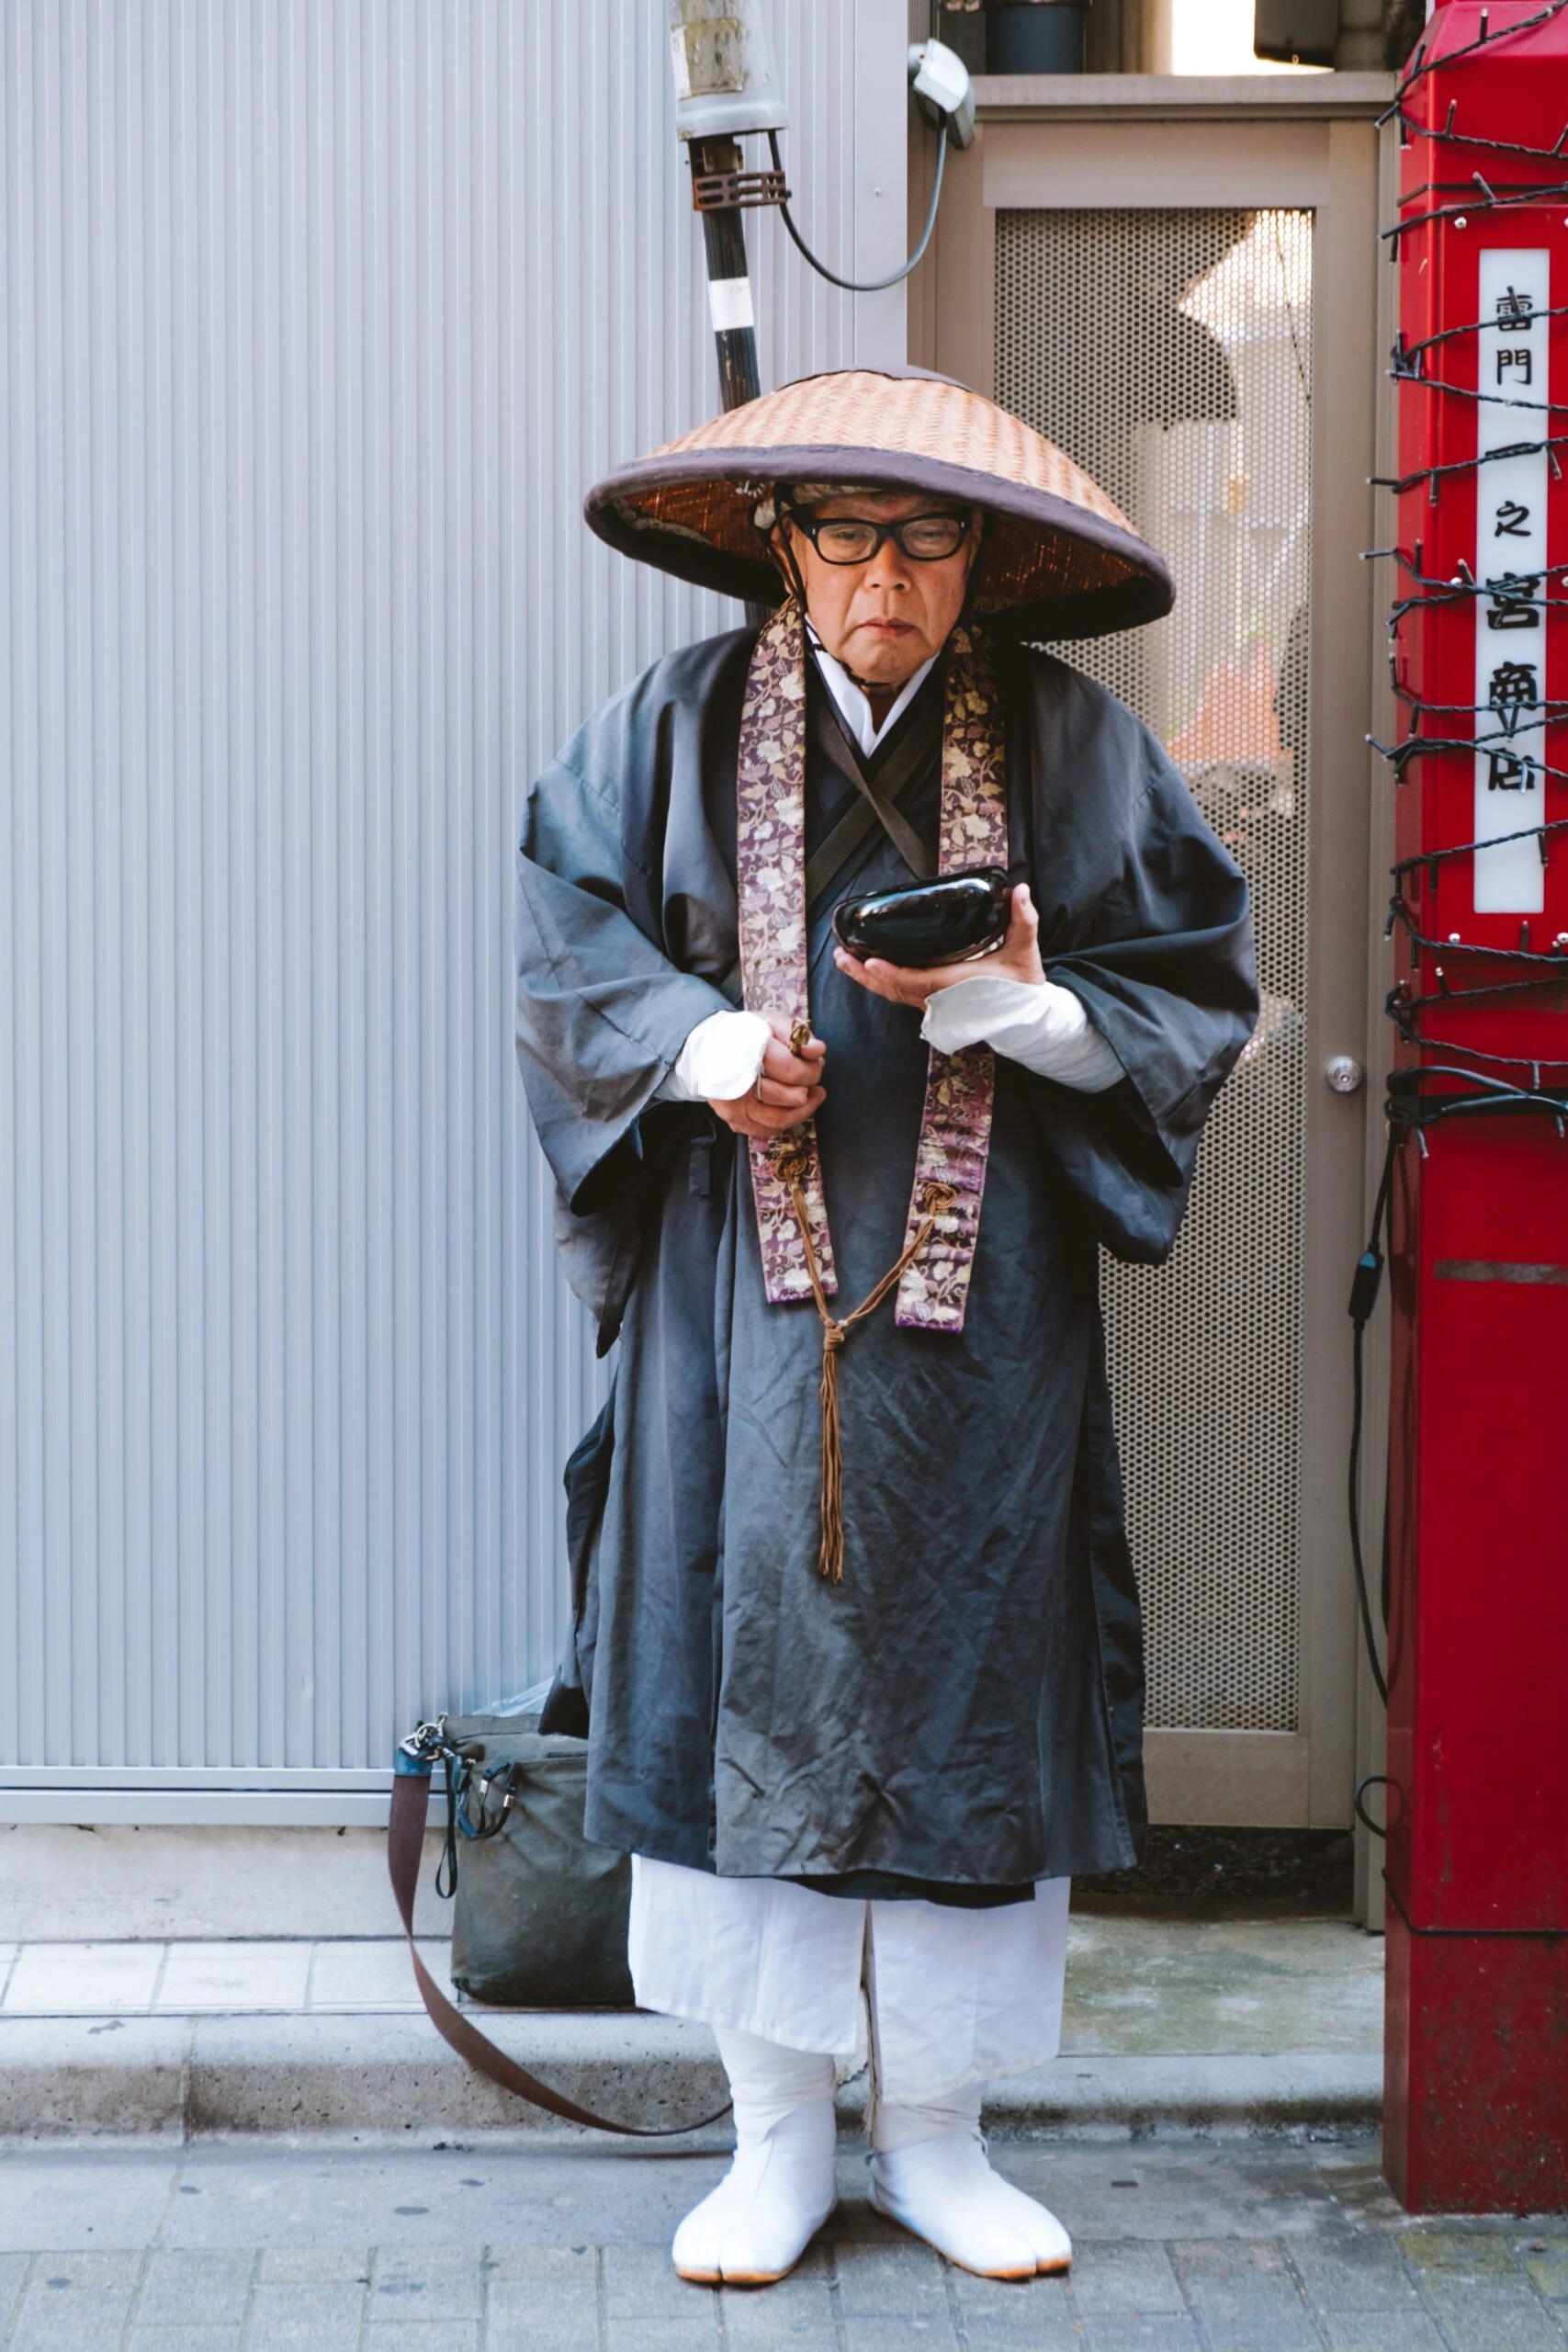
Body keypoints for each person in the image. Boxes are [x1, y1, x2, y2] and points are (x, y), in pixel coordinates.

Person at [515, 368, 1258, 2287]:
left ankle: (937, 2136)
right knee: (736, 1672)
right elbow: (563, 941)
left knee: (967, 1695)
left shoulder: (1072, 743)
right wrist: (699, 1050)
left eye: (925, 541)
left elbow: (1187, 982)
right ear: (780, 541)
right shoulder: (671, 730)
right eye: (844, 533)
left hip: (980, 1313)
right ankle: (770, 2137)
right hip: (732, 1312)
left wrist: (1016, 1012)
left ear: (982, 562)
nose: (884, 579)